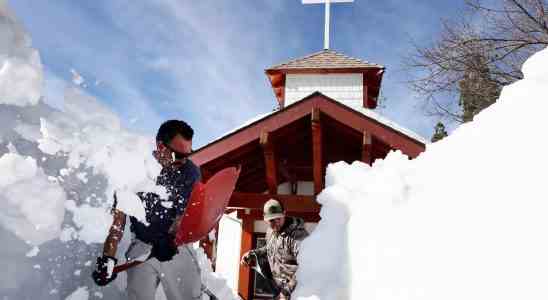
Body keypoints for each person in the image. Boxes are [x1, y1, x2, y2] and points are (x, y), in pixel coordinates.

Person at [92, 120, 202, 300]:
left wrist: (170, 238)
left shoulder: (190, 172)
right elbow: (118, 222)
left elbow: (183, 214)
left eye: (187, 155)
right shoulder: (134, 170)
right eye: (178, 155)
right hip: (142, 246)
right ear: (160, 146)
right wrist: (108, 259)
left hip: (176, 246)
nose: (183, 161)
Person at [240, 199, 309, 300]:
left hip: (296, 293)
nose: (276, 223)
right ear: (265, 219)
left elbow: (306, 267)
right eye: (271, 220)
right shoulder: (271, 232)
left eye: (278, 218)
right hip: (278, 289)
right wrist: (252, 254)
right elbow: (269, 248)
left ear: (284, 214)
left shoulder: (298, 235)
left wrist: (286, 292)